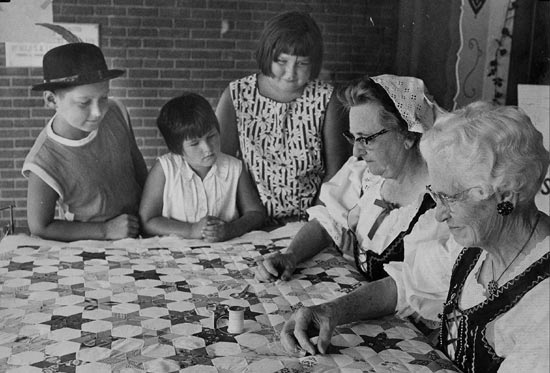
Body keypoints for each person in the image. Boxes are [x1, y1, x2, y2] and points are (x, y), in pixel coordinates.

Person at [280, 102, 549, 373]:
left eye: (450, 198)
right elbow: (406, 284)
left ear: (505, 195)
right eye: (436, 196)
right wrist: (330, 311)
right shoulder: (474, 248)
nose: (440, 215)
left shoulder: (542, 305)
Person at [254, 74, 450, 283]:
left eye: (366, 138)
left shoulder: (441, 205)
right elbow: (327, 222)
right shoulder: (365, 176)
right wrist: (291, 256)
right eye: (354, 138)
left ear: (407, 134)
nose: (357, 151)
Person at [215, 11, 350, 222]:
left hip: (309, 220)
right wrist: (249, 218)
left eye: (302, 64)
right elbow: (224, 166)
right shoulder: (236, 95)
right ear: (267, 55)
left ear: (314, 63)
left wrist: (314, 220)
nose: (290, 73)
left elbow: (335, 171)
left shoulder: (327, 98)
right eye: (281, 61)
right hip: (248, 220)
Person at [23, 43, 148, 242]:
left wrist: (151, 218)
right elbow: (40, 227)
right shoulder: (43, 160)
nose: (98, 111)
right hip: (91, 249)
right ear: (51, 99)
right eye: (84, 102)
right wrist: (105, 230)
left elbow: (139, 170)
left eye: (104, 97)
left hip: (140, 234)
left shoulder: (116, 111)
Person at [139, 93, 266, 242]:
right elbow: (147, 220)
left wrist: (231, 229)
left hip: (226, 251)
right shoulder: (164, 169)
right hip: (176, 253)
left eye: (211, 136)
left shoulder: (234, 167)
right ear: (176, 149)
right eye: (194, 144)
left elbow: (256, 213)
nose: (207, 148)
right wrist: (190, 230)